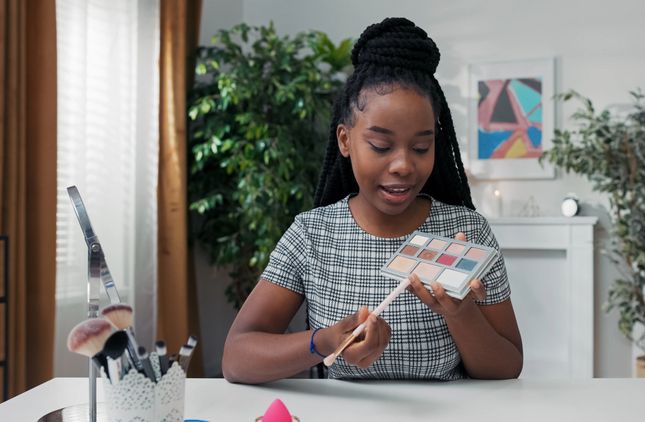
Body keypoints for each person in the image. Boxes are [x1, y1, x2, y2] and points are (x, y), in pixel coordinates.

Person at [223, 17, 523, 383]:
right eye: (381, 146)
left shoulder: (465, 233)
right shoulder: (312, 234)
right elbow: (236, 358)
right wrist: (322, 342)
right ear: (345, 140)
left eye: (421, 147)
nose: (403, 165)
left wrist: (460, 314)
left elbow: (507, 367)